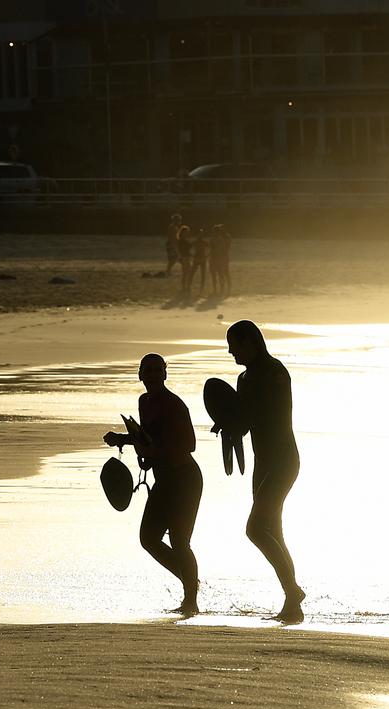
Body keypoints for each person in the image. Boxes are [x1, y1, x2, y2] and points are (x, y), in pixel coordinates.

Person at [104, 354, 202, 616]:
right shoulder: (144, 402)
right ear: (140, 375)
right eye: (147, 369)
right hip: (164, 480)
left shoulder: (174, 404)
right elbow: (149, 438)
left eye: (158, 369)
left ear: (165, 374)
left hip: (184, 479)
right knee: (148, 538)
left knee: (181, 542)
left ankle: (191, 600)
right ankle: (189, 582)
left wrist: (152, 452)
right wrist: (123, 440)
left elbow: (189, 444)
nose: (153, 374)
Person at [224, 320, 305, 623]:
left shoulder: (274, 373)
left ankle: (293, 591)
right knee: (273, 531)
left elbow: (269, 415)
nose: (231, 351)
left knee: (256, 529)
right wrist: (228, 422)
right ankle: (292, 604)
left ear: (252, 342)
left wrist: (238, 415)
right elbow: (245, 424)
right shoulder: (244, 379)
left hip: (284, 460)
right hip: (263, 463)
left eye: (235, 345)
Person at [210, 224, 232, 295]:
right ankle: (216, 290)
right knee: (215, 274)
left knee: (224, 273)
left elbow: (224, 248)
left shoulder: (224, 238)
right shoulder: (214, 238)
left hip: (222, 257)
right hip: (215, 257)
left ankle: (226, 289)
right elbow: (211, 248)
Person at [177, 224, 194, 296]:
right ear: (183, 232)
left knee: (187, 272)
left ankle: (186, 287)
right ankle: (185, 287)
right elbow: (181, 249)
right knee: (186, 272)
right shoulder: (181, 240)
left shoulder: (185, 239)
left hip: (187, 256)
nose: (187, 233)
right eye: (186, 232)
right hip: (184, 257)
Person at [192, 227, 210, 294]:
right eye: (199, 234)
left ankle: (201, 290)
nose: (200, 235)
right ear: (197, 235)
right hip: (197, 259)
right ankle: (188, 286)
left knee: (203, 275)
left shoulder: (204, 242)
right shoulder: (195, 242)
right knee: (192, 273)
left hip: (203, 259)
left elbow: (211, 249)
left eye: (202, 234)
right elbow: (188, 249)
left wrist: (207, 255)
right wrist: (192, 255)